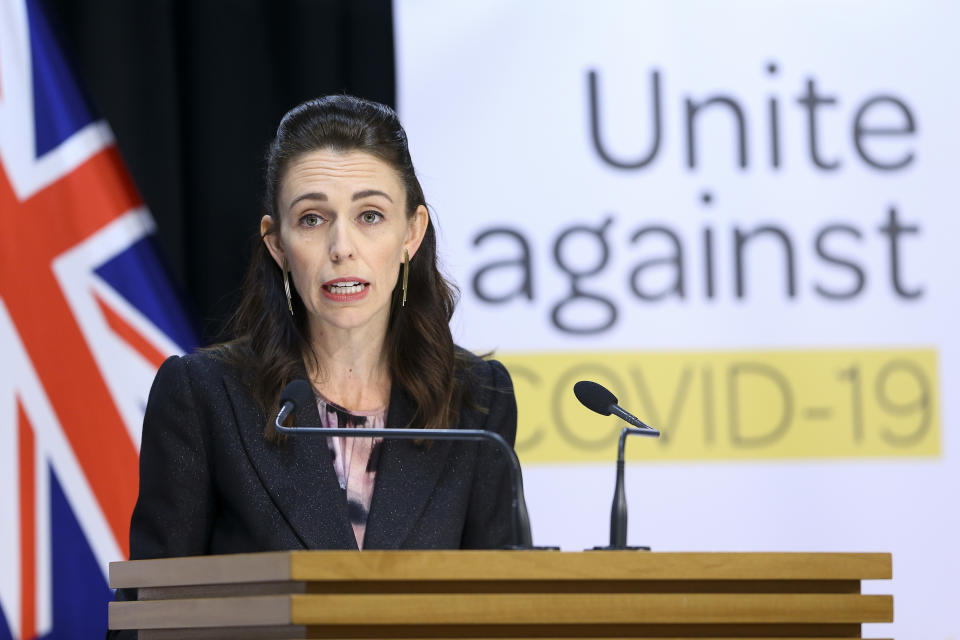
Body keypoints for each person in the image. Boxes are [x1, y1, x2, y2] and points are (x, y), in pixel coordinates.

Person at [110, 96, 519, 627]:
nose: (341, 246)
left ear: (411, 234)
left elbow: (504, 610)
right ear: (277, 242)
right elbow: (150, 616)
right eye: (312, 219)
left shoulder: (477, 402)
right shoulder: (202, 395)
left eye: (370, 215)